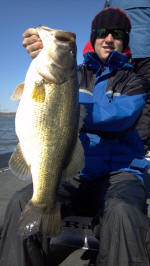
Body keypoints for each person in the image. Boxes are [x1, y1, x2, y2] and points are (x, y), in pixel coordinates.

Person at [1, 7, 150, 266]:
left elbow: (120, 117)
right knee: (18, 204)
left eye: (117, 34)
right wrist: (38, 53)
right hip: (74, 172)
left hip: (120, 173)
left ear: (125, 41)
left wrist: (67, 112)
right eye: (102, 32)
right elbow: (42, 95)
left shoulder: (134, 81)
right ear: (93, 38)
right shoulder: (73, 74)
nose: (108, 38)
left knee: (124, 214)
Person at [104, 0, 150, 158]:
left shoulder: (111, 2)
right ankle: (139, 145)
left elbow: (105, 20)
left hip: (122, 53)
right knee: (146, 100)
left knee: (119, 96)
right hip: (145, 51)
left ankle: (118, 143)